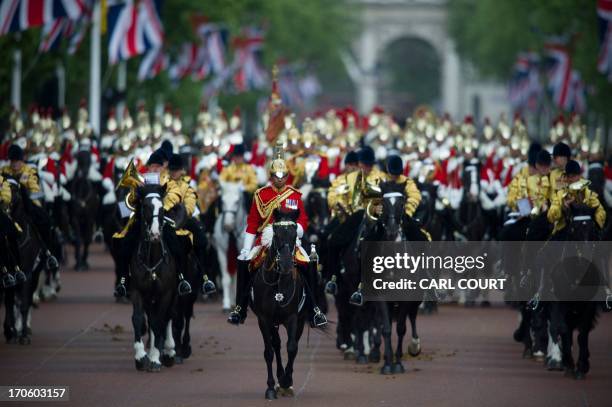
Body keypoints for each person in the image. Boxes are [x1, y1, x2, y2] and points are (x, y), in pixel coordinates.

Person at [227, 147, 327, 327]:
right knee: (244, 263)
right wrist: (246, 248)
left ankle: (314, 310)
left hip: (290, 239)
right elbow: (252, 222)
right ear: (271, 175)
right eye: (276, 175)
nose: (279, 179)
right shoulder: (261, 194)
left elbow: (303, 219)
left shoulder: (295, 195)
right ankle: (240, 308)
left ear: (287, 176)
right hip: (265, 240)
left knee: (309, 264)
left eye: (283, 176)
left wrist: (296, 230)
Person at [112, 150, 192, 298]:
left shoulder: (169, 182)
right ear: (148, 168)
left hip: (163, 219)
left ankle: (181, 279)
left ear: (163, 168)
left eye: (158, 166)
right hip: (142, 220)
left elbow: (175, 195)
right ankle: (123, 281)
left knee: (176, 245)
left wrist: (160, 206)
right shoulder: (141, 181)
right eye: (152, 166)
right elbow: (130, 201)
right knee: (125, 246)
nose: (154, 169)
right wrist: (136, 196)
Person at [1, 145, 58, 272]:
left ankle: (47, 253)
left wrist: (23, 183)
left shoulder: (29, 170)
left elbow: (34, 188)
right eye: (13, 161)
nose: (15, 164)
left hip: (28, 202)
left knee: (45, 221)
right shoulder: (4, 170)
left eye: (17, 161)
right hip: (7, 204)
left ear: (22, 160)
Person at [166, 154, 215, 294]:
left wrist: (182, 213)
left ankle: (205, 278)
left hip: (183, 218)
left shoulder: (187, 184)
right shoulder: (163, 182)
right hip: (165, 218)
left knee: (202, 240)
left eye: (177, 170)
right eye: (172, 170)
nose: (174, 172)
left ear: (182, 170)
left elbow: (190, 202)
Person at [547, 160, 606, 240]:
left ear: (579, 176)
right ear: (566, 177)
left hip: (587, 228)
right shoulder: (560, 194)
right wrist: (563, 207)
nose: (571, 179)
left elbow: (601, 211)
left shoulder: (588, 193)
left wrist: (592, 220)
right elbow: (551, 216)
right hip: (565, 229)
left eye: (574, 175)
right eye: (569, 176)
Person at [384, 155, 427, 240]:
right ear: (388, 171)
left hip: (403, 215)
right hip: (385, 216)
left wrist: (408, 211)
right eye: (392, 173)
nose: (394, 176)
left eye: (396, 174)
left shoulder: (407, 182)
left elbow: (415, 196)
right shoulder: (382, 180)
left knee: (417, 235)